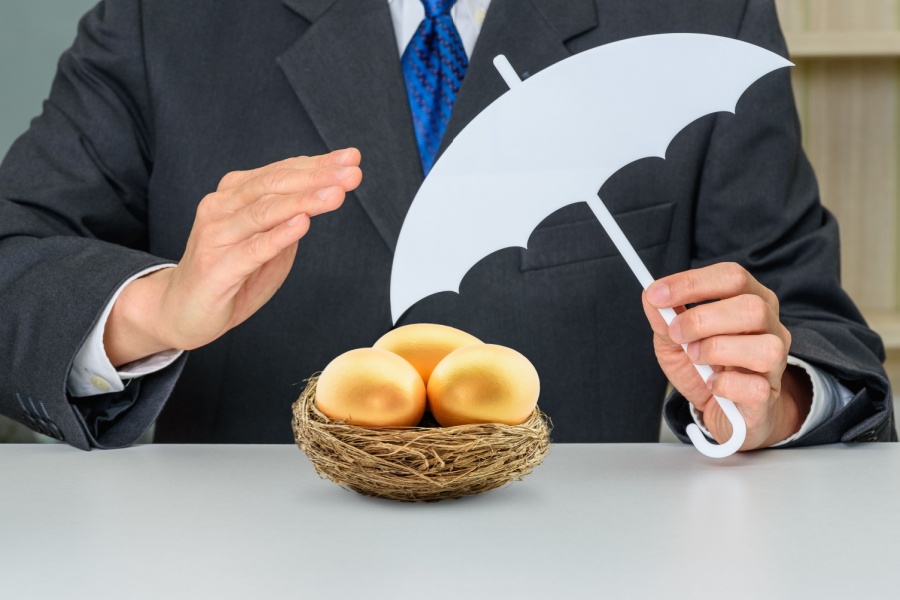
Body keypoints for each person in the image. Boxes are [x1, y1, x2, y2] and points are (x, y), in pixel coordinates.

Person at [0, 0, 893, 450]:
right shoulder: (167, 17)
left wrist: (774, 399)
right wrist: (155, 310)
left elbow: (817, 329)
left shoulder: (699, 13)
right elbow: (14, 258)